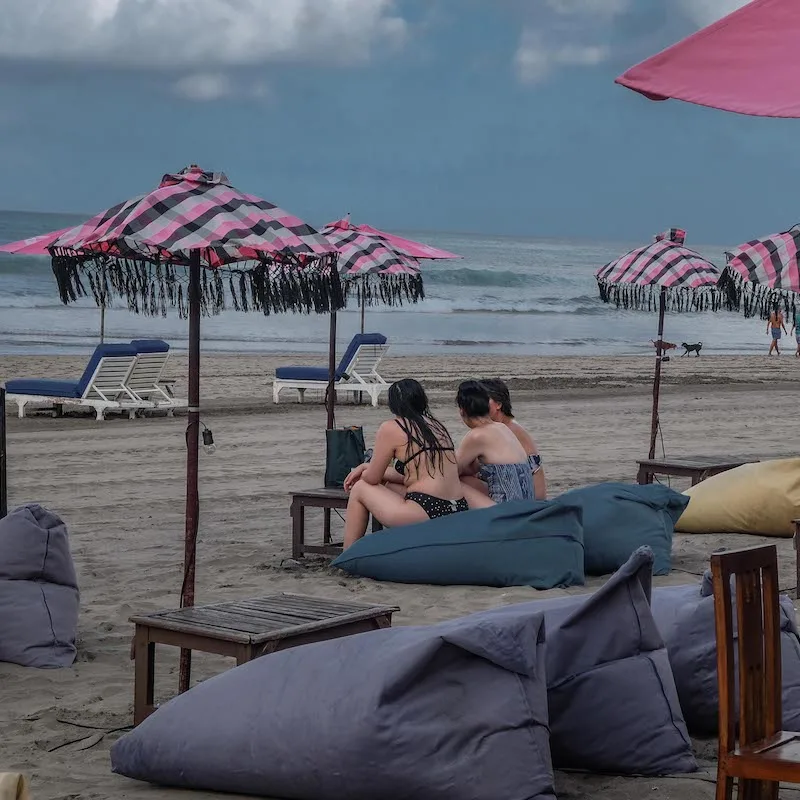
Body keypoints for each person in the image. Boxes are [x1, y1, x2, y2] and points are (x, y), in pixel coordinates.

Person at [342, 378, 468, 548]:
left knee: (360, 488)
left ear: (393, 404)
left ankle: (347, 556)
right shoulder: (437, 426)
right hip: (458, 508)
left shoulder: (392, 427)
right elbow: (418, 475)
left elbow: (372, 479)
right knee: (388, 486)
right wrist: (365, 466)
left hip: (428, 509)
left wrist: (364, 472)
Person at [455, 380, 534, 505]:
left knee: (454, 483)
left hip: (506, 510)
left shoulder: (477, 435)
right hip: (527, 504)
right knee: (468, 479)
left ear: (462, 410)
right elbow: (473, 468)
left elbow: (452, 471)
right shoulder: (502, 428)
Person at [481, 378, 547, 500]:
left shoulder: (504, 430)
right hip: (530, 500)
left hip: (527, 502)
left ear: (499, 404)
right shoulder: (510, 426)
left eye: (483, 401)